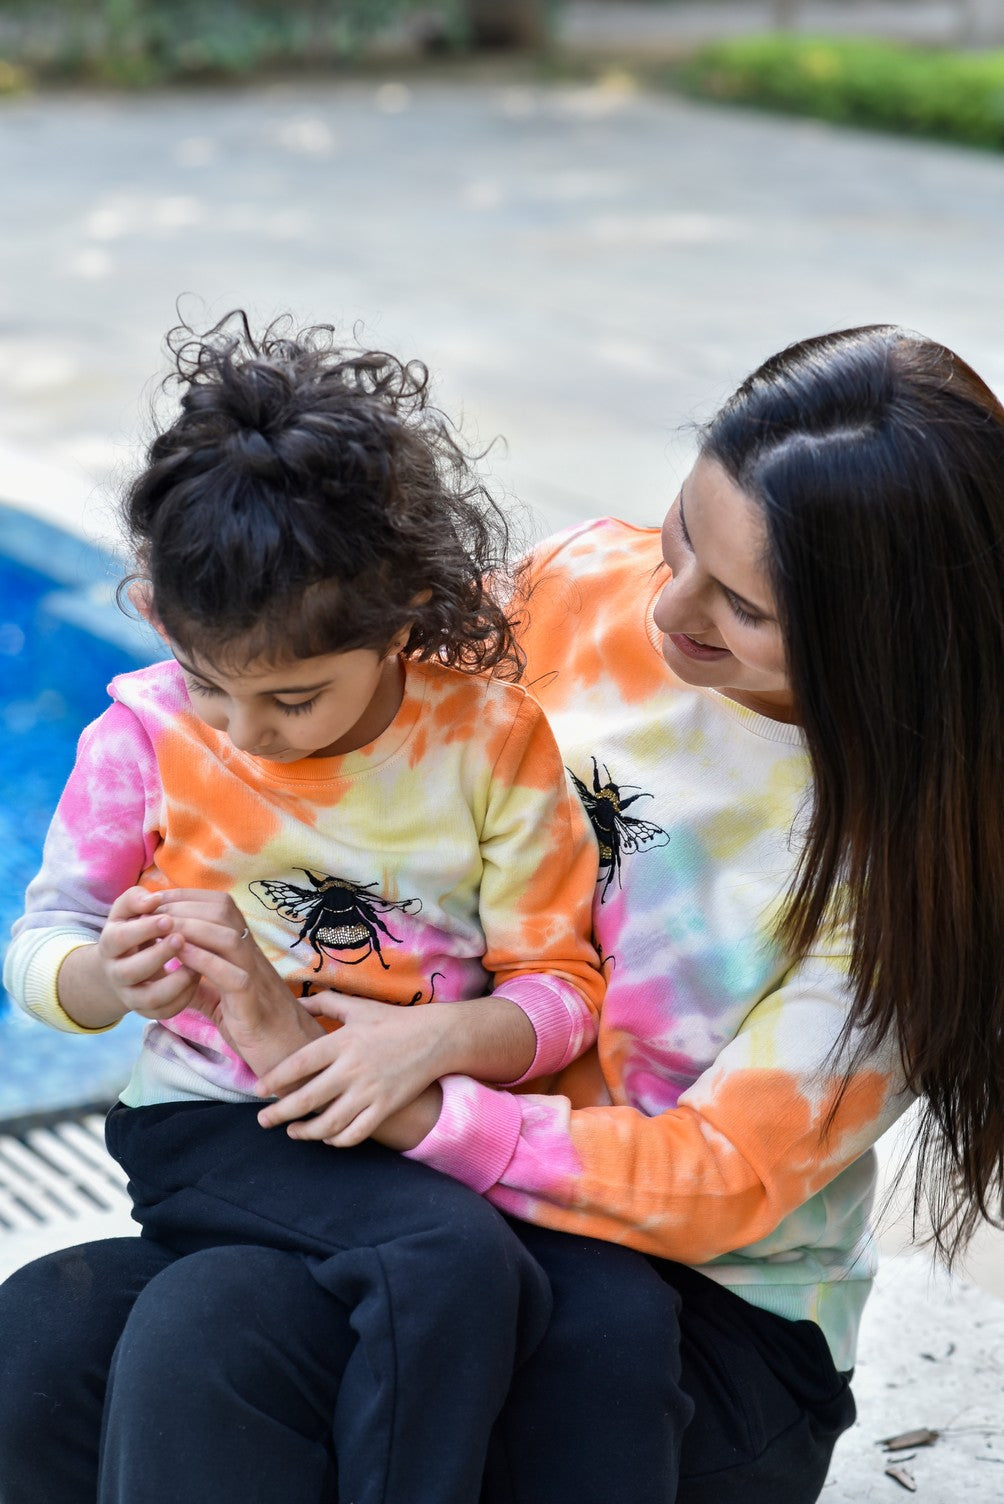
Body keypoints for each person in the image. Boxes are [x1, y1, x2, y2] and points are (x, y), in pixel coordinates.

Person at [3, 322, 1003, 1504]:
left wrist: (422, 1096)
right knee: (60, 1343)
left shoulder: (907, 851)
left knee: (363, 1342)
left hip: (686, 1304)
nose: (668, 606)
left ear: (878, 638)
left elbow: (719, 1180)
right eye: (683, 530)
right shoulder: (585, 582)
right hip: (429, 1194)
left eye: (740, 606)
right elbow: (323, 655)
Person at [0, 314, 607, 1504]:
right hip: (215, 1127)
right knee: (446, 1263)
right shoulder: (142, 735)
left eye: (291, 697)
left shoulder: (489, 740)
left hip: (415, 1126)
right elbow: (40, 946)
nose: (243, 732)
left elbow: (560, 993)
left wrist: (435, 1043)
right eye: (210, 681)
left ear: (400, 620)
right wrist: (105, 979)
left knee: (462, 1265)